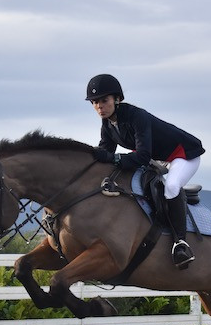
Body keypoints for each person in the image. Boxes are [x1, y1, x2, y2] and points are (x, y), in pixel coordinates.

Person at [86, 73, 204, 269]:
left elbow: (140, 156)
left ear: (116, 99)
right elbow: (104, 153)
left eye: (104, 101)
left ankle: (180, 243)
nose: (99, 106)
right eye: (94, 102)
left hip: (182, 154)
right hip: (156, 158)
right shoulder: (107, 124)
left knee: (172, 186)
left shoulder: (136, 116)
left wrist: (113, 158)